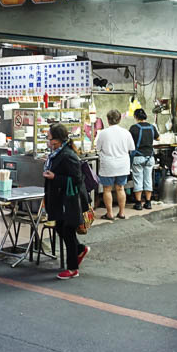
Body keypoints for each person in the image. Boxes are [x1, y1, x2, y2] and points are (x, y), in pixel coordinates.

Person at [43, 123, 89, 280]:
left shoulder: (68, 155)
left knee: (67, 232)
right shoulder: (57, 153)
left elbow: (77, 179)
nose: (48, 141)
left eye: (49, 138)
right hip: (59, 199)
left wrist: (55, 177)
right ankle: (80, 250)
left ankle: (72, 268)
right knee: (61, 228)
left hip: (68, 201)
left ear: (58, 139)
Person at [94, 109, 134, 220]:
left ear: (107, 120)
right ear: (119, 119)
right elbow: (132, 148)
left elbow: (97, 148)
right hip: (123, 164)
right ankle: (121, 213)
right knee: (120, 188)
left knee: (107, 189)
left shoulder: (103, 133)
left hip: (108, 164)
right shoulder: (126, 132)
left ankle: (110, 214)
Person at [129, 108, 159, 210]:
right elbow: (158, 138)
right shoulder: (152, 127)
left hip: (138, 157)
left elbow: (129, 142)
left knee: (138, 180)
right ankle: (148, 202)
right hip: (150, 157)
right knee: (148, 179)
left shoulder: (133, 128)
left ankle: (138, 204)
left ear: (136, 117)